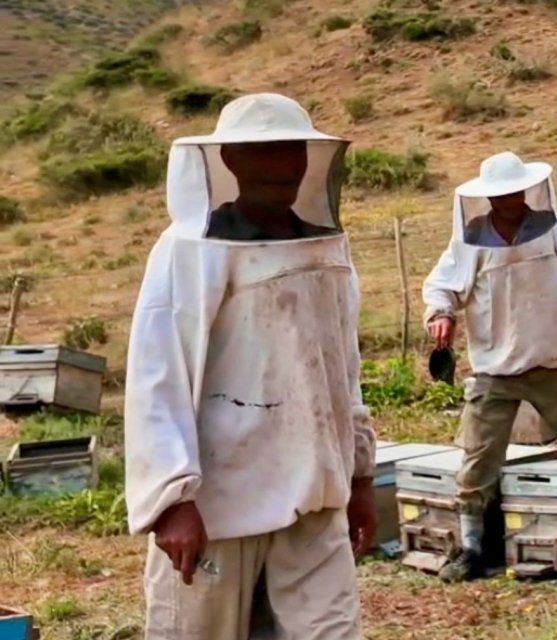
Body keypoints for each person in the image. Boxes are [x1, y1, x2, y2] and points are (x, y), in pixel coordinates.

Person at [123, 93, 376, 639]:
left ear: (311, 158)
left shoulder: (325, 247)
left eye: (291, 150)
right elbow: (157, 373)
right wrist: (171, 501)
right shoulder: (188, 248)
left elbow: (342, 369)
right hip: (219, 508)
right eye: (262, 152)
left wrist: (360, 475)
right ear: (230, 161)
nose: (281, 165)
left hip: (315, 499)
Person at [422, 151, 557, 582]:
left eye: (514, 191)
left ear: (526, 189)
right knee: (478, 459)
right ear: (488, 198)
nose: (509, 200)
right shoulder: (469, 240)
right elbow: (442, 284)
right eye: (500, 194)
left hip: (553, 363)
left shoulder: (552, 228)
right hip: (495, 370)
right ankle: (470, 549)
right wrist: (441, 314)